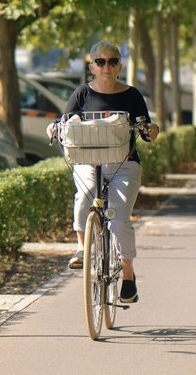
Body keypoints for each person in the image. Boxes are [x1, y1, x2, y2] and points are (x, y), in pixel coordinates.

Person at [46, 40, 159, 303]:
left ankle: (128, 274)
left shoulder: (132, 95)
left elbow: (145, 126)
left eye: (112, 61)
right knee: (84, 197)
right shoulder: (81, 94)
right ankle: (82, 248)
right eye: (100, 62)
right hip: (88, 161)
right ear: (92, 67)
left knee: (119, 220)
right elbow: (61, 122)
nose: (106, 66)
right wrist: (53, 129)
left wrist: (151, 131)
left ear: (119, 66)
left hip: (124, 164)